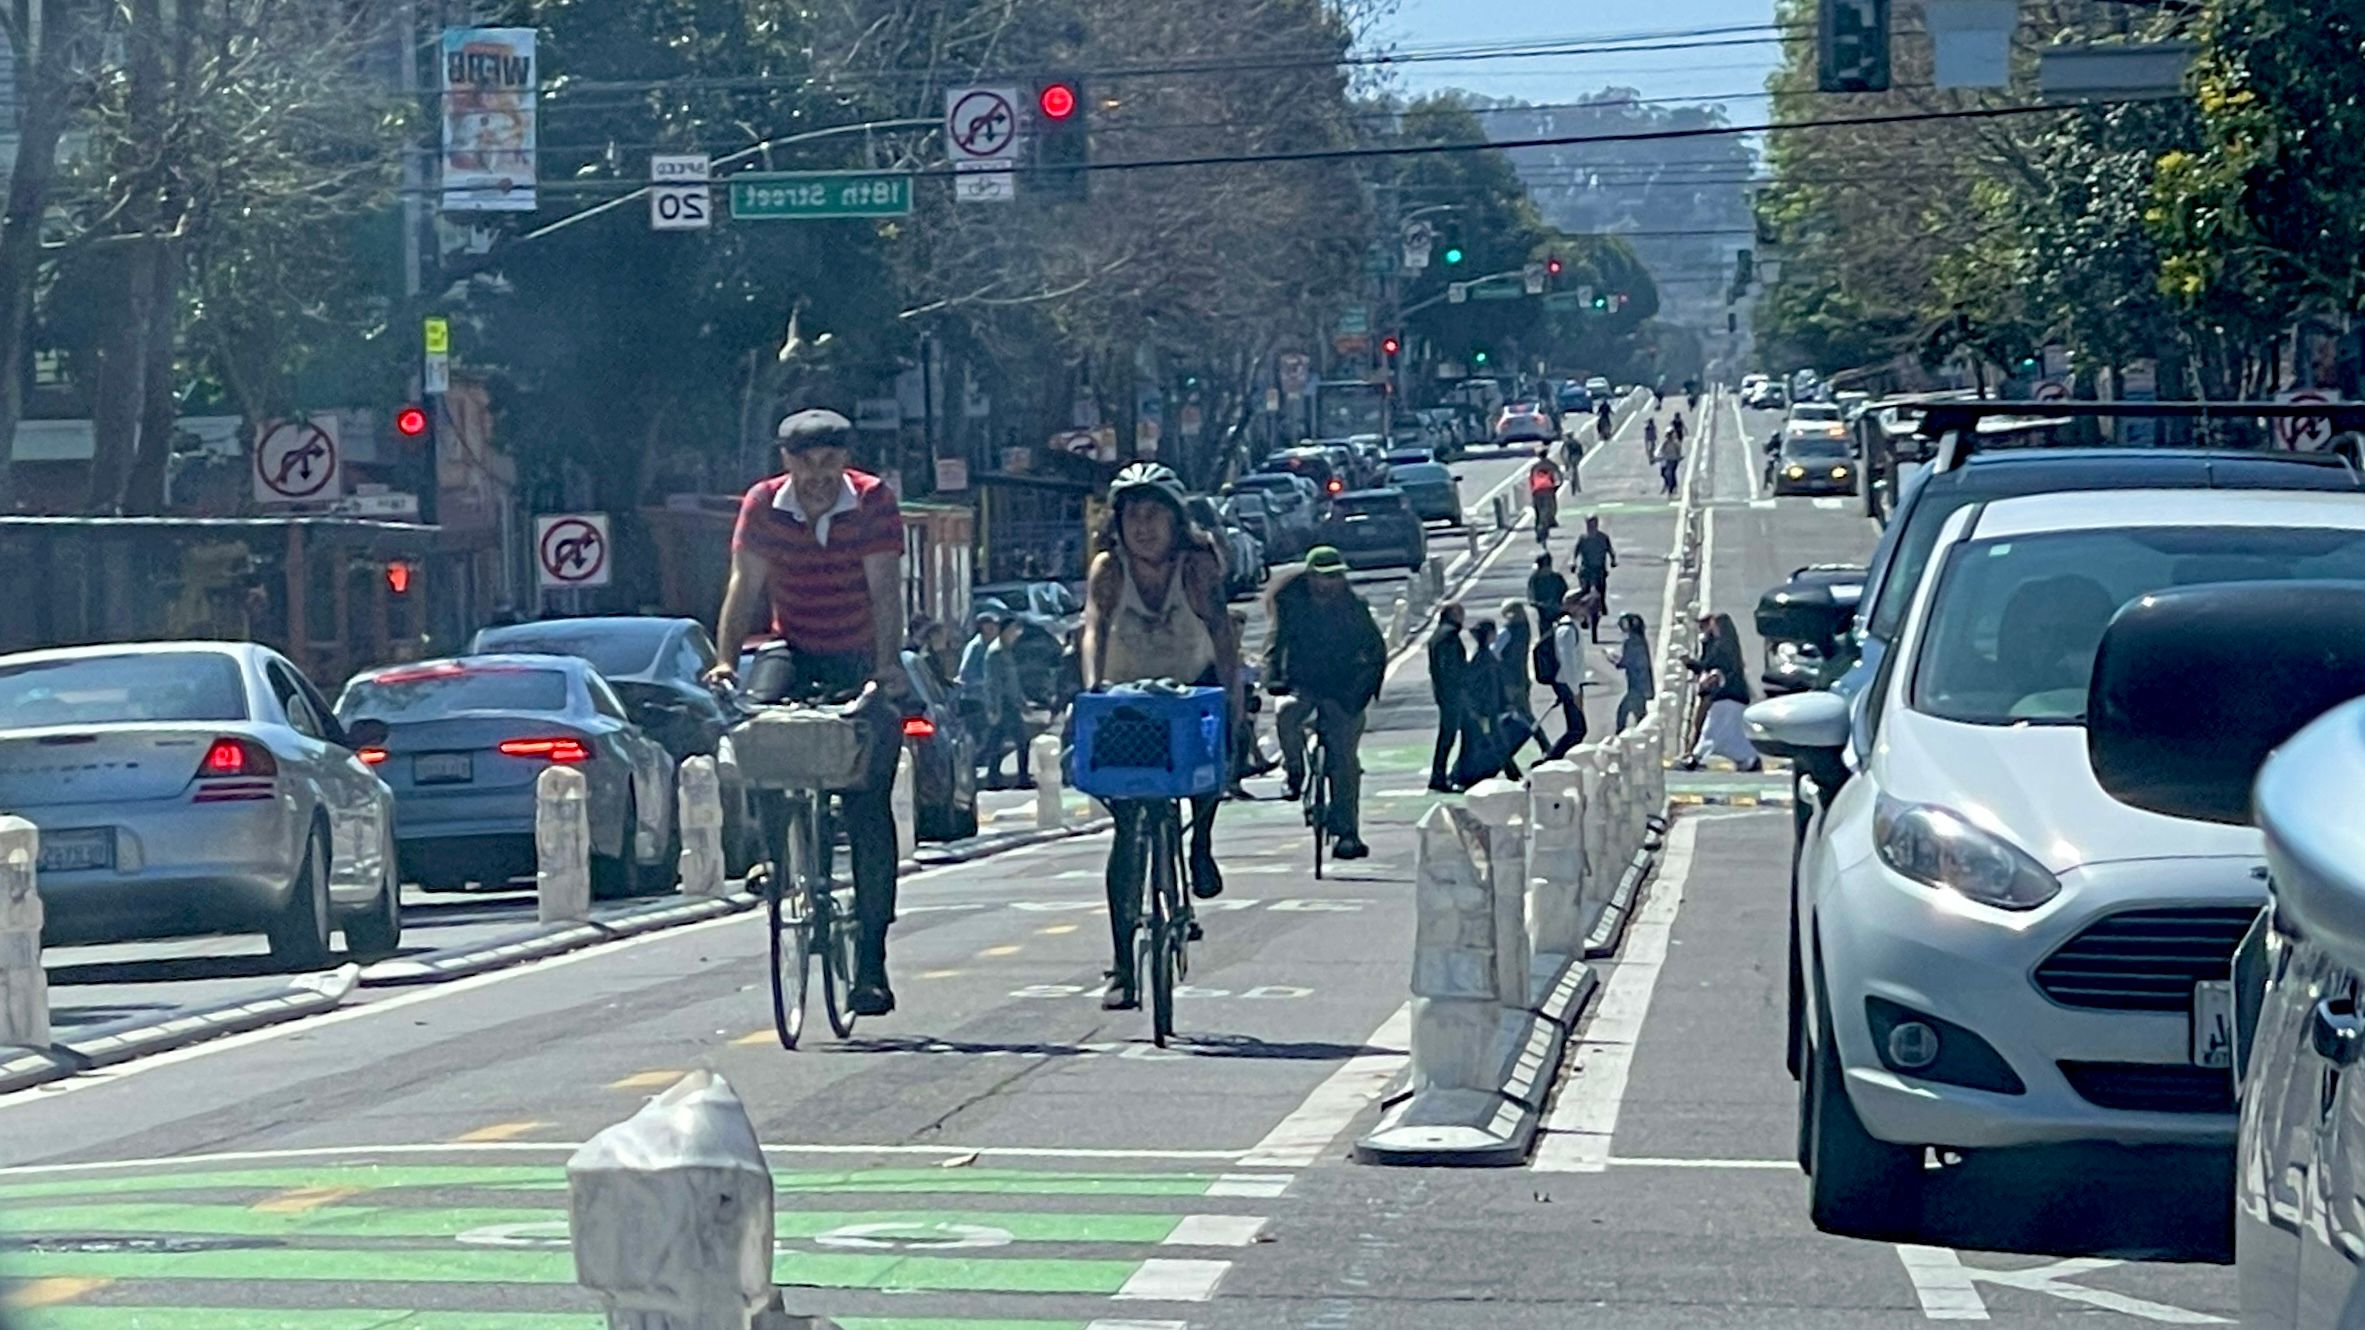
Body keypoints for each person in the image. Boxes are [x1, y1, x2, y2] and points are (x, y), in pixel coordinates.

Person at [708, 407, 908, 1018]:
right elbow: (744, 585)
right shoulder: (764, 505)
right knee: (760, 730)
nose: (818, 476)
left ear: (845, 460)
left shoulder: (872, 501)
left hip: (859, 649)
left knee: (868, 799)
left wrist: (886, 668)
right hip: (792, 644)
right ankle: (780, 853)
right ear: (785, 462)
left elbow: (884, 590)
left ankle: (870, 962)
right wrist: (723, 663)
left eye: (829, 462)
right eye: (805, 463)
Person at [1080, 463, 1241, 1011]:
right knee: (1128, 829)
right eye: (1132, 516)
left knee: (1212, 760)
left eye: (1156, 516)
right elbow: (1094, 626)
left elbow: (1221, 631)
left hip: (1189, 685)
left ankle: (1200, 845)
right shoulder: (1110, 569)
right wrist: (1092, 688)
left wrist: (1235, 707)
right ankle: (1123, 965)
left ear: (1177, 522)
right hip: (1125, 698)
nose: (1144, 527)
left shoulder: (1197, 567)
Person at [1267, 545, 1387, 859]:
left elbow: (1376, 652)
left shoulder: (1355, 608)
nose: (1329, 583)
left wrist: (1364, 691)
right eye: (1322, 577)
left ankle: (1347, 832)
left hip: (1346, 690)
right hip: (1304, 684)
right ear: (1309, 577)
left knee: (1345, 761)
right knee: (1286, 714)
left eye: (1335, 576)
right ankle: (1294, 773)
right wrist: (1275, 679)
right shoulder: (1289, 603)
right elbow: (1276, 644)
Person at [1461, 619, 1520, 783]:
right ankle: (1511, 773)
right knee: (1493, 742)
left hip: (1488, 708)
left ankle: (1511, 772)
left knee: (1492, 741)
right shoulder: (1484, 658)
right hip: (1487, 709)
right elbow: (1486, 686)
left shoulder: (1482, 656)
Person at [1543, 593, 1594, 759]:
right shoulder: (1566, 630)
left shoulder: (1573, 627)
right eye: (1582, 605)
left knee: (1576, 728)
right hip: (1567, 684)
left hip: (1571, 684)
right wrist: (1575, 691)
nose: (1586, 609)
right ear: (1571, 607)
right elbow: (1568, 663)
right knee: (1577, 729)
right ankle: (1551, 759)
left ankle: (1557, 757)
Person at [1426, 601, 1470, 793]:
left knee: (1449, 735)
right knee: (1449, 735)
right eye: (1460, 613)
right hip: (1452, 693)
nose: (1463, 618)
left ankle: (1443, 774)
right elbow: (1450, 668)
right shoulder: (1448, 636)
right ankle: (1440, 775)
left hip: (1444, 692)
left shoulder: (1438, 635)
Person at [983, 617, 1029, 788]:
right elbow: (993, 683)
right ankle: (1017, 779)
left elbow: (1013, 681)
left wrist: (1022, 700)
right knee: (1016, 741)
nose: (1015, 635)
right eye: (1012, 631)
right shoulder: (996, 652)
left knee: (998, 741)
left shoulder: (1007, 650)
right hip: (1003, 704)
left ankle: (995, 778)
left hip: (1011, 703)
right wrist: (994, 709)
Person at [1607, 612, 1654, 732]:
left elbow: (1626, 662)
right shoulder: (1640, 640)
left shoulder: (1631, 642)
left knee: (1623, 713)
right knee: (1640, 715)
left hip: (1636, 686)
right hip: (1640, 686)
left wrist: (1611, 658)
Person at [1572, 515, 1617, 609]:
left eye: (1593, 524)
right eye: (1589, 524)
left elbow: (1610, 550)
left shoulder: (1603, 537)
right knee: (1584, 588)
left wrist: (1613, 560)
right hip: (1586, 568)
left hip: (1599, 568)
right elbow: (1576, 552)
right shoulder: (1583, 539)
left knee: (1601, 586)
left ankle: (1602, 602)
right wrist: (1574, 563)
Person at [1528, 553, 1570, 635]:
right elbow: (1531, 596)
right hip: (1543, 614)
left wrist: (1562, 605)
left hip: (1558, 612)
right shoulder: (1534, 580)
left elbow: (1565, 593)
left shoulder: (1557, 578)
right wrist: (1538, 604)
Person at [1527, 449, 1562, 543]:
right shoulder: (1551, 464)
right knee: (1548, 511)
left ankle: (1539, 532)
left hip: (1536, 491)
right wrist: (1557, 486)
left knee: (1538, 513)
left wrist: (1533, 491)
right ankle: (1544, 529)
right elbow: (1559, 475)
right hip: (1548, 489)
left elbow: (1531, 480)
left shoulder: (1534, 467)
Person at [1656, 427, 1684, 496]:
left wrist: (1679, 457)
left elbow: (1678, 451)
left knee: (1671, 473)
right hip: (1667, 460)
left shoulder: (1675, 443)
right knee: (1665, 473)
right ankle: (1670, 485)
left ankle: (1671, 488)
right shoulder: (1665, 443)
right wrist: (1660, 456)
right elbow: (1661, 450)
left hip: (1673, 460)